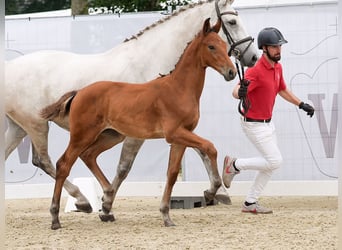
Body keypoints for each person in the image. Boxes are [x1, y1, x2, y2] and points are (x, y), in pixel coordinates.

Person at [222, 27, 314, 214]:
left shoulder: (278, 67)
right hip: (253, 124)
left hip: (268, 123)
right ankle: (234, 165)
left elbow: (282, 90)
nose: (278, 50)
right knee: (275, 161)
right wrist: (238, 92)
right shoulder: (255, 70)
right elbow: (236, 90)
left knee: (270, 165)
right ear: (264, 48)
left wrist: (301, 104)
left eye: (280, 46)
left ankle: (250, 203)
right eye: (274, 47)